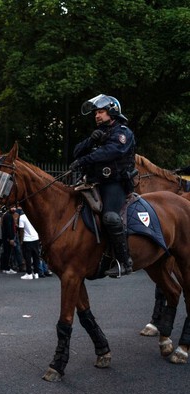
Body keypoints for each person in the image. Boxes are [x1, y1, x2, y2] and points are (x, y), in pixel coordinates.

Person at [70, 94, 136, 277]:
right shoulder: (99, 134)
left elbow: (111, 151)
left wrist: (85, 159)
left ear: (112, 112)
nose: (96, 116)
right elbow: (76, 152)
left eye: (100, 112)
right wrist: (91, 140)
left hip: (115, 184)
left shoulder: (123, 132)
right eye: (95, 113)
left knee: (110, 217)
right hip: (92, 184)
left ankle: (124, 261)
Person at [17, 208, 41, 280]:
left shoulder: (22, 217)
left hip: (27, 239)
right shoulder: (35, 215)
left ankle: (29, 273)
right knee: (36, 256)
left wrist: (21, 241)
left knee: (28, 257)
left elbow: (21, 230)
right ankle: (36, 273)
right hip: (35, 238)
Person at [0, 207, 17, 274]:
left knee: (6, 252)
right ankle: (7, 268)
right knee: (8, 253)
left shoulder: (7, 215)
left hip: (6, 237)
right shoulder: (8, 216)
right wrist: (11, 238)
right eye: (12, 208)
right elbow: (9, 228)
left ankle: (5, 267)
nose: (14, 209)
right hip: (8, 238)